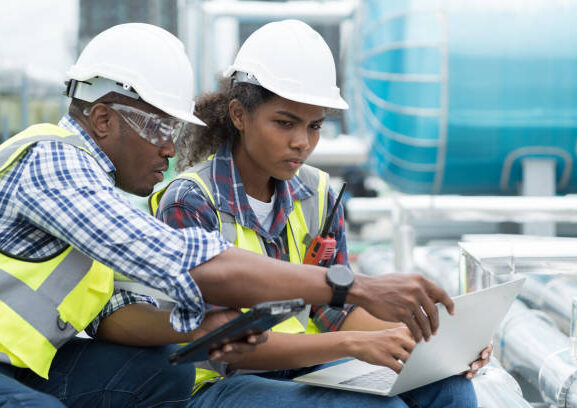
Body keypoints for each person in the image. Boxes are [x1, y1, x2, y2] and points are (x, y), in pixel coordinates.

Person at [0, 21, 461, 408]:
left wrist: (437, 345)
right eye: (160, 127)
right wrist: (355, 289)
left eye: (314, 126)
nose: (168, 146)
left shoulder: (317, 194)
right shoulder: (57, 164)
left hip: (35, 363)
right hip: (223, 379)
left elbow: (117, 307)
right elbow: (189, 262)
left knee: (445, 385)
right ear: (102, 120)